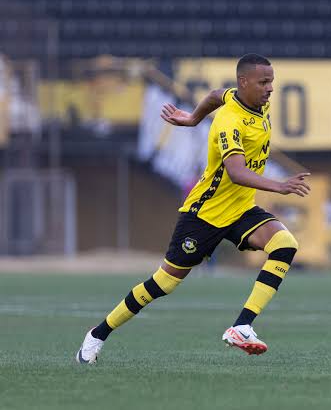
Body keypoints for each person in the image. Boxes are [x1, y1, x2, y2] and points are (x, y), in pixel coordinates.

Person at [76, 54, 311, 363]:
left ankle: (242, 326)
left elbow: (215, 95)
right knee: (164, 283)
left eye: (271, 82)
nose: (270, 89)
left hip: (240, 210)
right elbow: (237, 172)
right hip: (204, 215)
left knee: (285, 244)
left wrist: (193, 119)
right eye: (264, 82)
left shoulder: (247, 100)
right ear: (244, 82)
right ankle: (97, 335)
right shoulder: (230, 122)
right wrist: (279, 186)